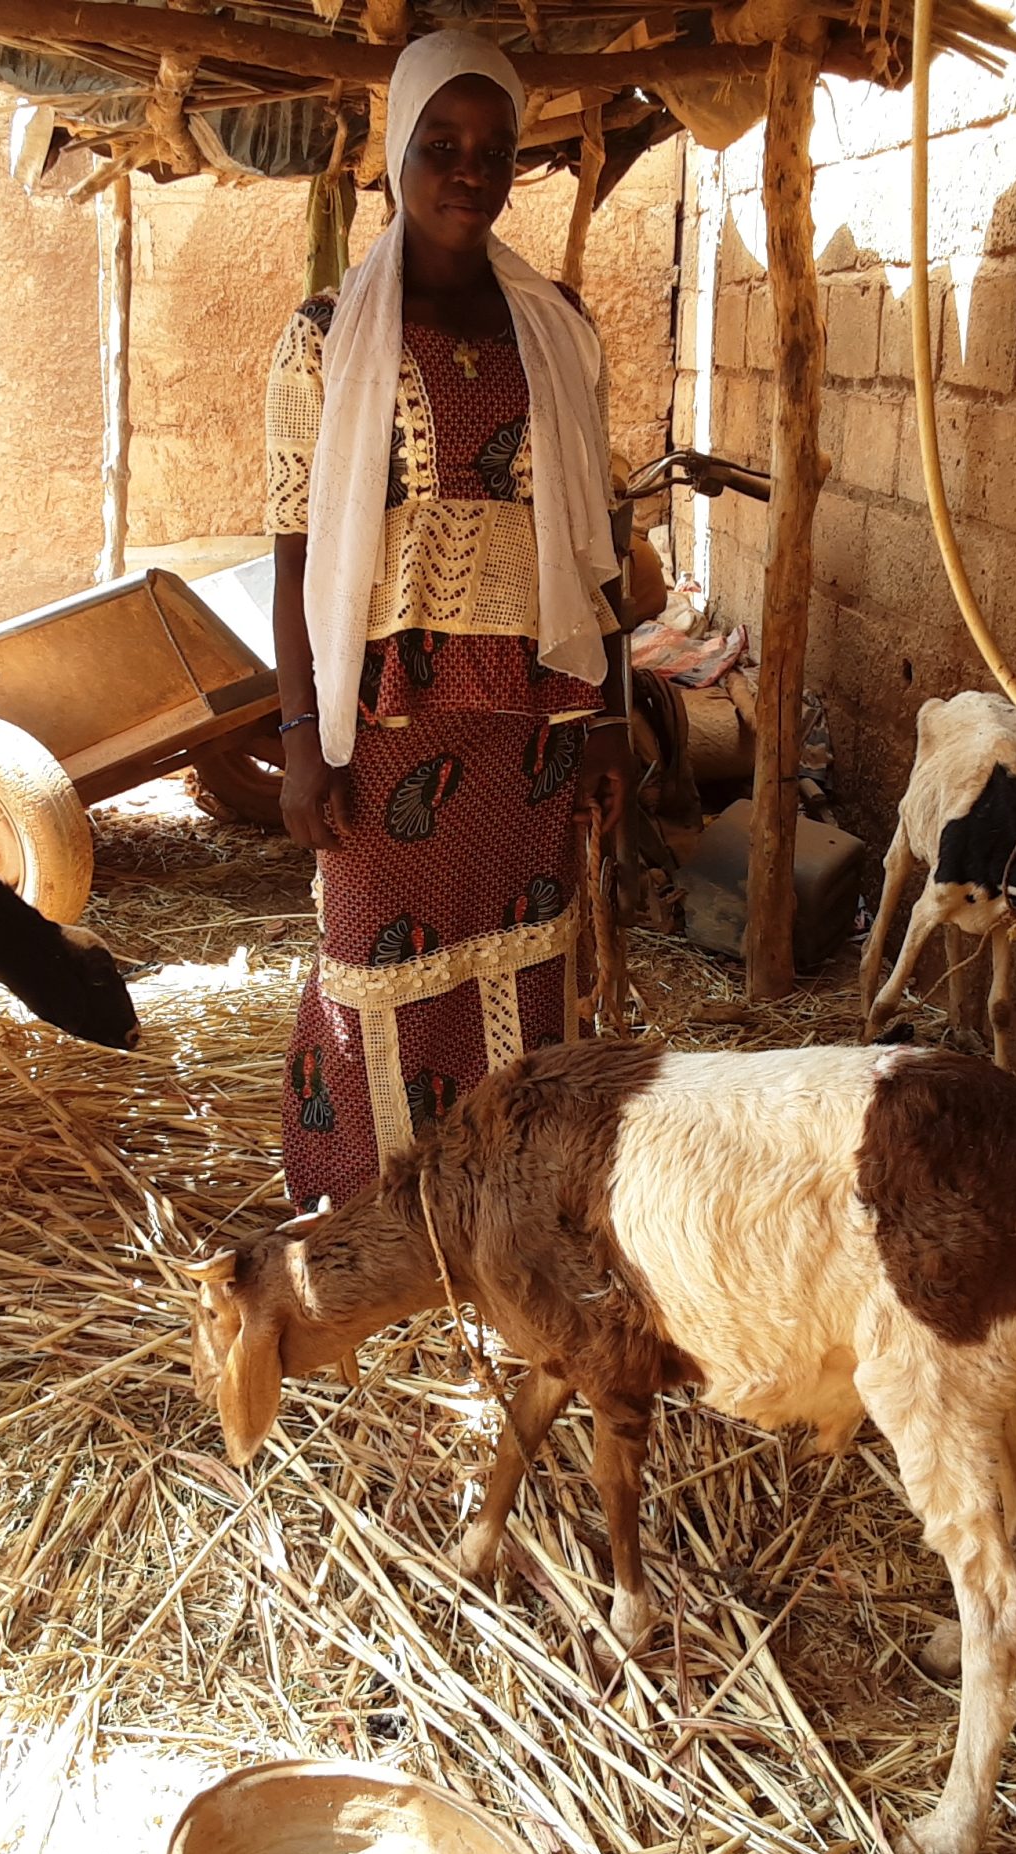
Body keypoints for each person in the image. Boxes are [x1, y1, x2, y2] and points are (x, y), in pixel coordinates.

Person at [264, 29, 631, 1208]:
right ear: (395, 156)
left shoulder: (559, 329)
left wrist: (613, 719)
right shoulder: (324, 339)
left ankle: (503, 1215)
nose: (468, 171)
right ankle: (373, 1218)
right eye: (441, 145)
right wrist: (297, 739)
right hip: (384, 717)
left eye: (492, 150)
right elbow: (295, 546)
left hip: (531, 713)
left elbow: (598, 545)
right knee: (372, 959)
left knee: (528, 956)